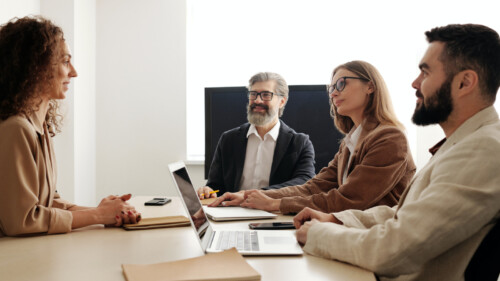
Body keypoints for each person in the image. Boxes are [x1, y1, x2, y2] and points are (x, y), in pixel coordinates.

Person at [294, 24, 500, 281]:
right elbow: (407, 214)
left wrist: (317, 234)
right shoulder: (464, 142)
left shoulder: (483, 149)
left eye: (425, 73)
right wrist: (336, 220)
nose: (415, 83)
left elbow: (394, 249)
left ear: (464, 82)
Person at [210, 61, 416, 215]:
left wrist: (275, 204)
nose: (333, 94)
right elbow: (314, 187)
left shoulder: (390, 138)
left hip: (375, 240)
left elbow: (349, 199)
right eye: (331, 88)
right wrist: (248, 196)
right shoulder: (351, 142)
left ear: (370, 86)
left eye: (341, 84)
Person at [0, 16, 140, 237]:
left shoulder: (38, 126)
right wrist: (98, 215)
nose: (73, 72)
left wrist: (108, 211)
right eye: (65, 62)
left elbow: (48, 203)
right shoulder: (16, 129)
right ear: (35, 67)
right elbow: (23, 220)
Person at [197, 72, 316, 199]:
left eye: (266, 95)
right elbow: (215, 186)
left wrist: (251, 195)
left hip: (275, 215)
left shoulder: (300, 143)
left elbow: (305, 182)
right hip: (233, 213)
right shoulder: (228, 139)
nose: (257, 100)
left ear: (282, 101)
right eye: (253, 94)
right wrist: (208, 191)